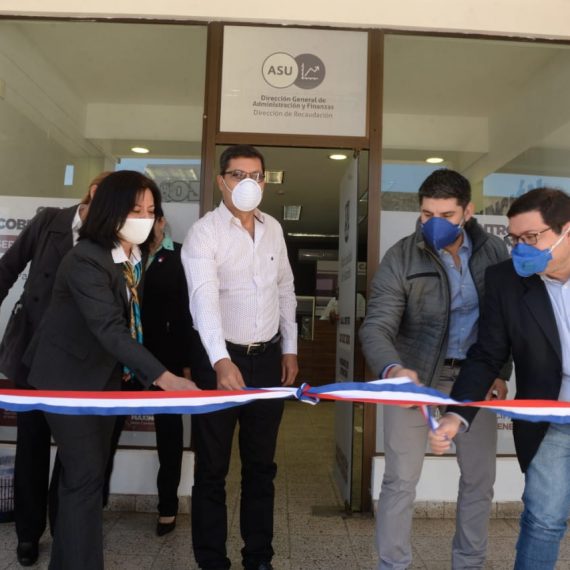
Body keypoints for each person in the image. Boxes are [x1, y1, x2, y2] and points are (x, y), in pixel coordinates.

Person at [23, 170, 197, 570]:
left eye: (151, 210)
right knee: (85, 480)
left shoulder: (129, 258)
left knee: (84, 479)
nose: (145, 218)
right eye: (136, 209)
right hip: (68, 382)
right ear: (111, 210)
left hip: (101, 382)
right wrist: (165, 377)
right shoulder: (86, 258)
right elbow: (110, 329)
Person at [359, 168, 511, 570]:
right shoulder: (401, 256)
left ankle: (469, 563)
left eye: (446, 215)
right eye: (427, 214)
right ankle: (392, 565)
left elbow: (506, 320)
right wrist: (393, 369)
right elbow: (376, 325)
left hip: (475, 379)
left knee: (479, 480)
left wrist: (500, 371)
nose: (434, 224)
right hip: (416, 379)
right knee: (400, 480)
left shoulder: (494, 252)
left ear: (467, 212)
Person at [430, 187, 570, 570]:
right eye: (515, 239)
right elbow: (487, 354)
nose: (521, 248)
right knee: (544, 519)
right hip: (550, 419)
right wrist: (456, 415)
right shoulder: (505, 281)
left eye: (531, 237)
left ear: (566, 231)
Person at [182, 144, 298, 570]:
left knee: (261, 466)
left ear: (265, 182)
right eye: (238, 175)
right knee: (212, 468)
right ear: (221, 181)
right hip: (220, 358)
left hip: (266, 359)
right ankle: (212, 560)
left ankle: (259, 556)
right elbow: (204, 301)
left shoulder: (273, 229)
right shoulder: (205, 233)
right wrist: (219, 360)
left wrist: (289, 347)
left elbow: (285, 288)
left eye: (256, 176)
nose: (248, 183)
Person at [0, 171, 110, 566]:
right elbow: (7, 268)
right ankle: (28, 533)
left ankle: (66, 527)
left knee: (74, 452)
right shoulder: (49, 221)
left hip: (83, 361)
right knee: (32, 443)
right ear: (94, 193)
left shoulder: (112, 236)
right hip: (34, 353)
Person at [142, 213, 194, 536]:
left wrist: (186, 361)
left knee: (169, 435)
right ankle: (94, 501)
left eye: (151, 217)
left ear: (161, 222)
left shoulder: (180, 256)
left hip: (167, 358)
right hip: (127, 355)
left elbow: (187, 311)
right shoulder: (126, 253)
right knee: (107, 427)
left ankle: (167, 506)